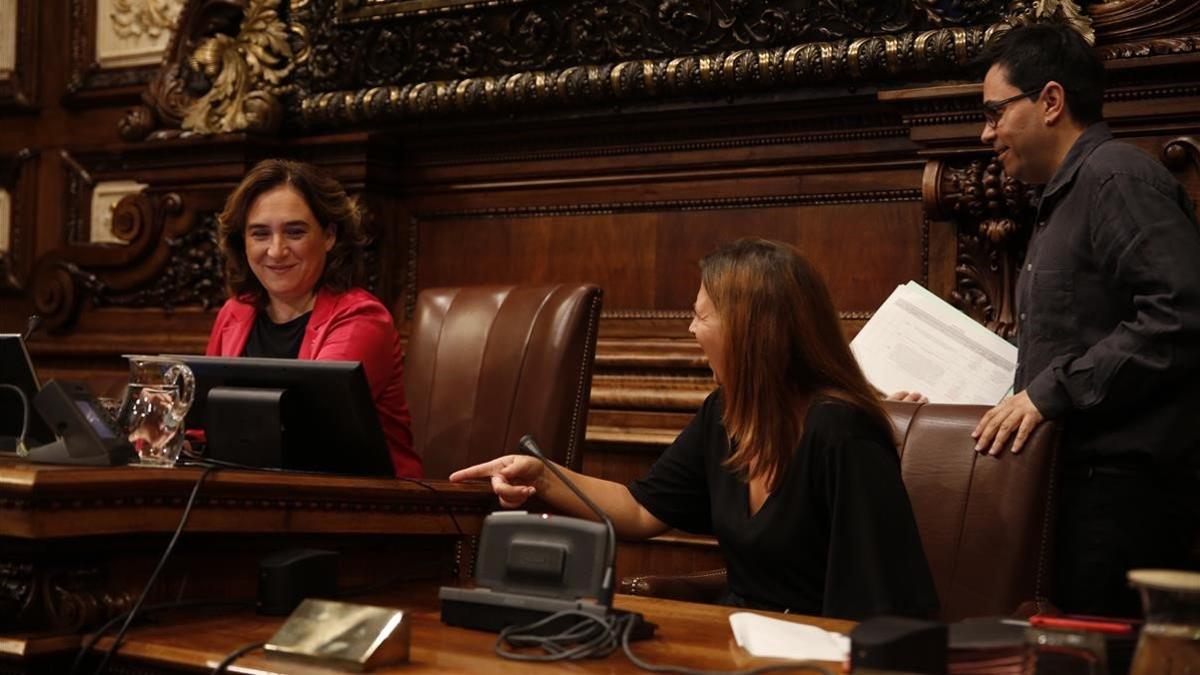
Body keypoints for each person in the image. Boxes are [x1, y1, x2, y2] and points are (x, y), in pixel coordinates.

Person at [452, 238, 938, 620]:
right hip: (738, 643)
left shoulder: (841, 432)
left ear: (751, 331)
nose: (691, 329)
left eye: (702, 315)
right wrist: (541, 476)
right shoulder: (725, 412)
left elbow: (881, 608)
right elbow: (642, 510)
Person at [970, 23, 1200, 616]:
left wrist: (1052, 392)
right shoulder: (1066, 194)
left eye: (996, 112)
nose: (986, 132)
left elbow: (1182, 313)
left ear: (1050, 101)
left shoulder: (1117, 177)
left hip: (1125, 497)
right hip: (1076, 488)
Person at [206, 159, 419, 478]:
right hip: (254, 494)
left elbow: (310, 430)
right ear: (243, 241)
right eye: (260, 234)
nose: (276, 251)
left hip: (363, 503)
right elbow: (204, 421)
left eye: (294, 232)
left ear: (329, 236)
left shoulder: (362, 318)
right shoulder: (235, 312)